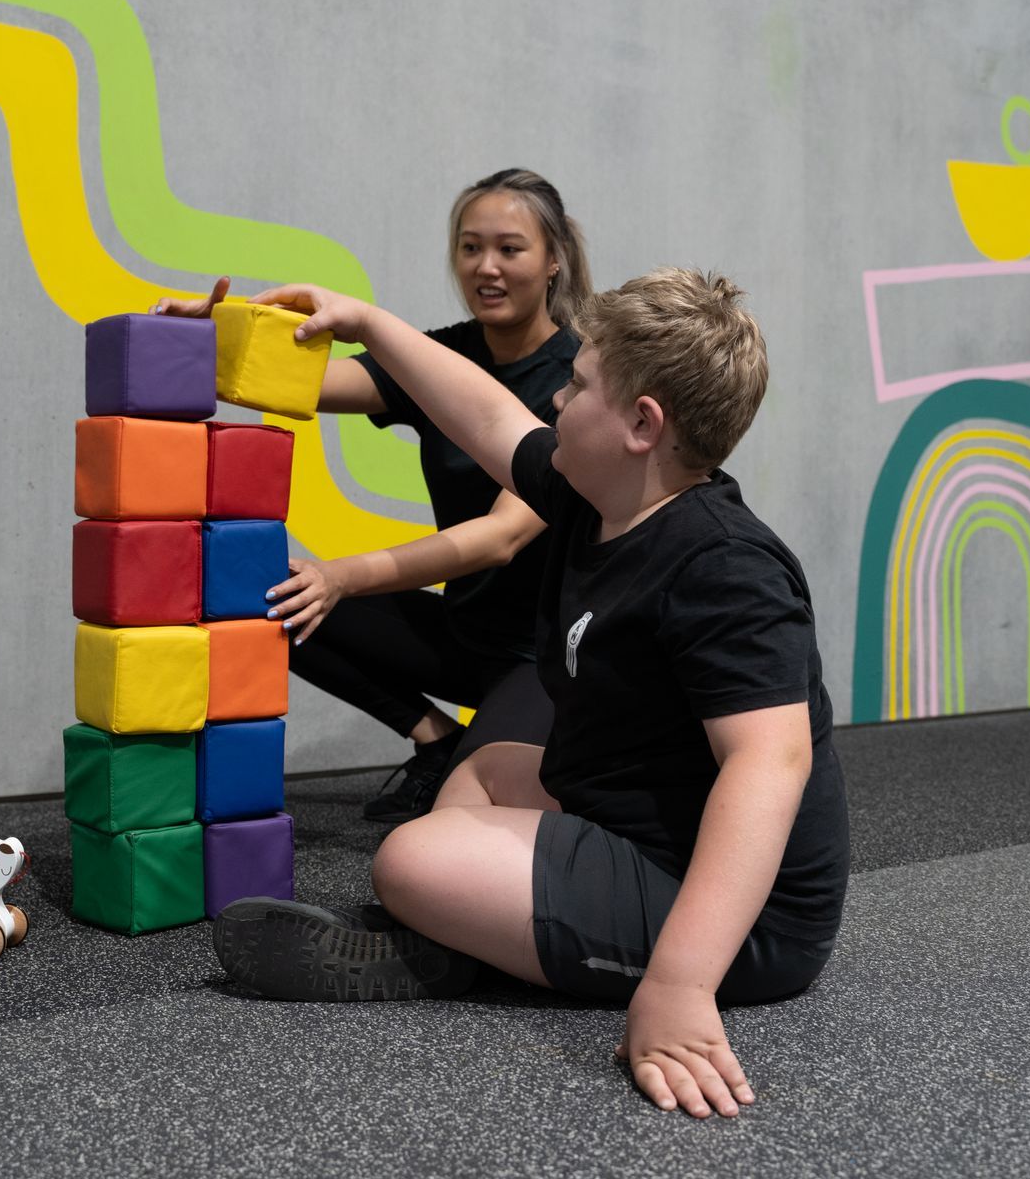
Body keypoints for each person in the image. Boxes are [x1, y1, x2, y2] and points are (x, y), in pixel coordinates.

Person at [211, 269, 850, 1121]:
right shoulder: (602, 498)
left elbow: (770, 766)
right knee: (485, 773)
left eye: (578, 383)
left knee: (409, 859)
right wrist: (364, 318)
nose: (555, 396)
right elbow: (483, 415)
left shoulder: (724, 569)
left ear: (641, 424)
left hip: (748, 917)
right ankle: (465, 945)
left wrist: (680, 986)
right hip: (637, 817)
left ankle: (459, 945)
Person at [154, 169, 591, 822]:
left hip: (542, 660)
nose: (486, 267)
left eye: (510, 248)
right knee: (263, 592)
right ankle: (433, 738)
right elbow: (301, 385)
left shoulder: (576, 383)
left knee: (470, 816)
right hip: (463, 636)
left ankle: (478, 754)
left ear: (554, 259)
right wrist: (206, 342)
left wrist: (340, 576)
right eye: (470, 248)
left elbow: (500, 538)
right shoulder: (443, 356)